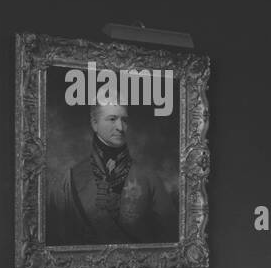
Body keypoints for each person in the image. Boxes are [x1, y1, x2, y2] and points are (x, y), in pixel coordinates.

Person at [47, 105, 176, 245]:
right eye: (112, 119)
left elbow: (170, 241)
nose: (120, 127)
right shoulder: (68, 181)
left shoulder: (150, 179)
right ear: (94, 123)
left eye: (124, 120)